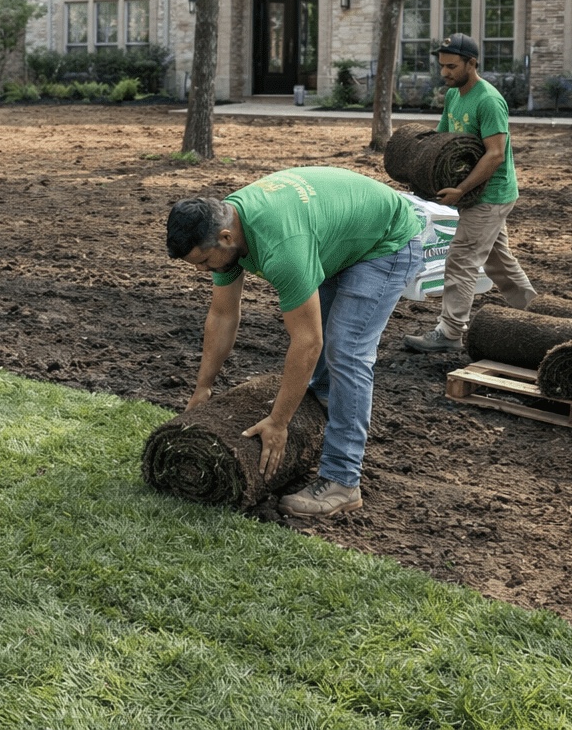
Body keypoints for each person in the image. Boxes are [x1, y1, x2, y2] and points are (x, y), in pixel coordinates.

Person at [166, 167, 424, 517]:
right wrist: (203, 387)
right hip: (338, 234)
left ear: (226, 238)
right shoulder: (225, 229)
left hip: (386, 241)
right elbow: (223, 315)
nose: (202, 270)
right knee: (325, 360)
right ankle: (329, 422)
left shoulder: (283, 249)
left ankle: (342, 481)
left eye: (204, 261)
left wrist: (279, 421)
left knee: (345, 351)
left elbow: (308, 342)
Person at [403, 33, 536, 353]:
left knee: (461, 259)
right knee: (497, 262)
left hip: (490, 194)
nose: (445, 73)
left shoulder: (488, 100)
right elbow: (444, 140)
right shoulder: (454, 96)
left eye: (451, 66)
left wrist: (461, 189)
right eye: (441, 67)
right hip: (474, 194)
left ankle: (449, 332)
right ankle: (536, 315)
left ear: (472, 63)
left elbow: (495, 154)